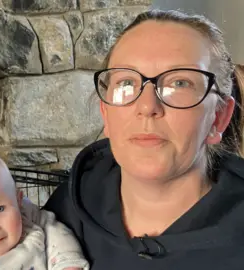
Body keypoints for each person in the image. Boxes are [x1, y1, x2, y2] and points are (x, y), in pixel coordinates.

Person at [44, 9, 244, 269]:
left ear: (219, 117)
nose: (147, 106)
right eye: (126, 82)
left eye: (179, 83)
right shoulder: (69, 205)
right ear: (107, 114)